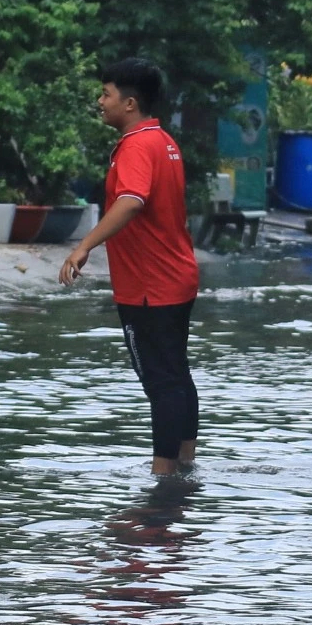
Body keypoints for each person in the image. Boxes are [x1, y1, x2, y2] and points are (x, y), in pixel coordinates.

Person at [59, 58, 201, 476]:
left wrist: (83, 245)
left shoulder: (138, 145)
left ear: (131, 103)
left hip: (149, 286)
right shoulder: (164, 141)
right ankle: (185, 466)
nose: (100, 101)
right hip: (176, 277)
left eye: (106, 94)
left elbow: (132, 200)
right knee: (176, 375)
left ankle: (162, 478)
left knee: (161, 382)